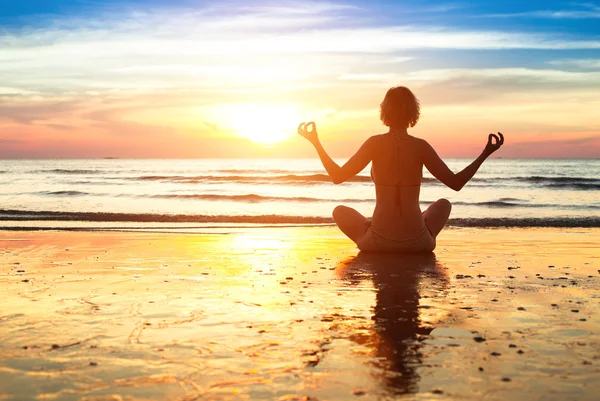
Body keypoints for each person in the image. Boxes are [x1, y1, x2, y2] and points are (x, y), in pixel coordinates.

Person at [298, 86, 504, 252]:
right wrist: (485, 153)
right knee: (443, 204)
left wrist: (315, 142)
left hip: (378, 242)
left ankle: (370, 229)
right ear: (413, 113)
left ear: (384, 112)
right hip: (418, 243)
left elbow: (337, 176)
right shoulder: (420, 146)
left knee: (339, 211)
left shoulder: (374, 143)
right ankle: (415, 225)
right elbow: (456, 183)